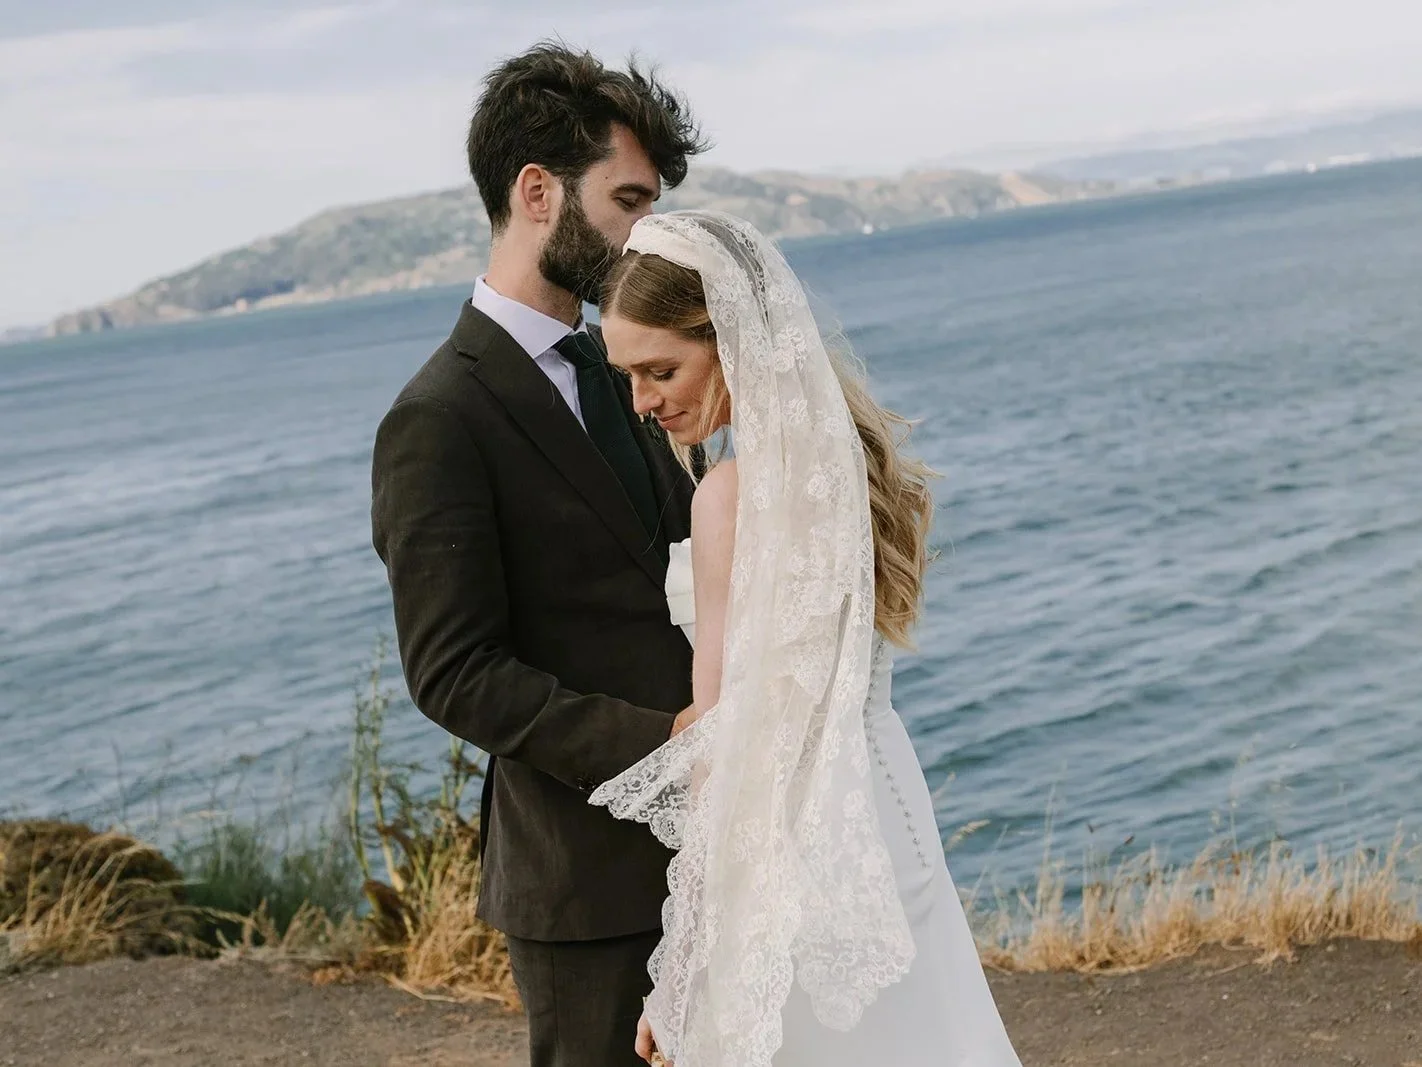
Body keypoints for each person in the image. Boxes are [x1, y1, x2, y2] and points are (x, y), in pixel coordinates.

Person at [591, 211, 1025, 1067]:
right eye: (629, 377)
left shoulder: (728, 496)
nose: (643, 401)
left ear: (732, 341)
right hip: (885, 807)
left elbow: (728, 740)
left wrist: (681, 974)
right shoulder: (851, 466)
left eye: (661, 369)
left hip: (796, 835)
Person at [370, 43, 708, 1067]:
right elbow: (454, 673)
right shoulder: (438, 417)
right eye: (628, 199)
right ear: (537, 192)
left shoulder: (627, 372)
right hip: (587, 879)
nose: (646, 232)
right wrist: (673, 746)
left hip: (718, 849)